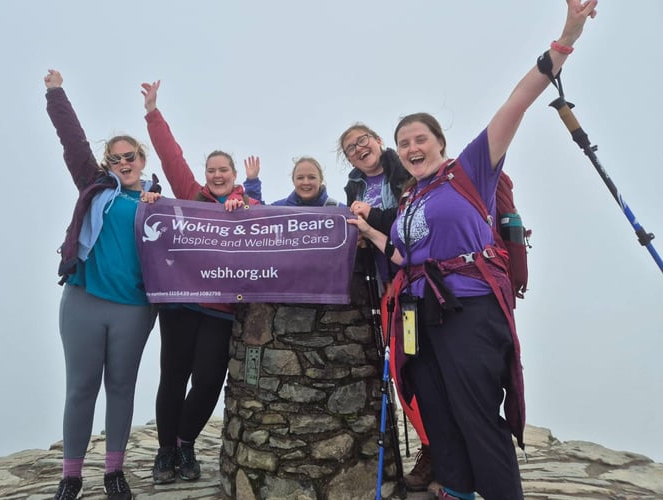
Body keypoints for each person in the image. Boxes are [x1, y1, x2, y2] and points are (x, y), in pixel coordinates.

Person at [349, 2, 598, 498]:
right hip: (420, 312)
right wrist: (369, 230)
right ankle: (456, 490)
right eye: (405, 141)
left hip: (468, 308)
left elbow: (516, 102)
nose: (412, 146)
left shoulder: (469, 172)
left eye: (421, 138)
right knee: (438, 411)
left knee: (477, 411)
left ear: (439, 143)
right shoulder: (410, 199)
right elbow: (402, 257)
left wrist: (566, 37)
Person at [44, 69, 161, 500]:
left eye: (130, 156)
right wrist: (56, 93)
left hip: (134, 308)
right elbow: (72, 140)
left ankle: (114, 472)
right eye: (116, 158)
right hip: (84, 301)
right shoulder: (94, 187)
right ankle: (70, 477)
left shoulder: (158, 203)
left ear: (142, 160)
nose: (124, 163)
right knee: (81, 387)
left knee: (121, 387)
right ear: (107, 163)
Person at [140, 79, 260, 485]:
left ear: (233, 175)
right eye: (211, 170)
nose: (217, 175)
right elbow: (170, 156)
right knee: (173, 376)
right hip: (180, 304)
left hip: (222, 311)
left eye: (223, 170)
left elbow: (272, 231)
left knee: (208, 379)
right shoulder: (191, 195)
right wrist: (153, 111)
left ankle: (185, 442)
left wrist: (244, 208)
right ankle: (165, 452)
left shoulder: (249, 205)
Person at [340, 124, 433, 491]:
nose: (359, 149)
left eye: (363, 140)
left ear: (378, 140)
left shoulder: (407, 172)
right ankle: (433, 448)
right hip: (386, 290)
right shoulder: (353, 187)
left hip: (419, 285)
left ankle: (436, 451)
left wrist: (372, 219)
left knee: (422, 368)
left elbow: (413, 226)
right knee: (405, 369)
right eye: (350, 148)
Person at [244, 155, 343, 206]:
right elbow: (254, 212)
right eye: (300, 178)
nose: (306, 182)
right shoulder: (281, 209)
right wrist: (252, 181)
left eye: (312, 177)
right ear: (293, 181)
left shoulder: (337, 210)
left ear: (320, 180)